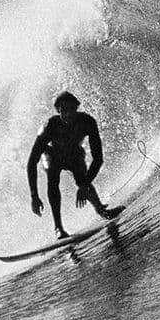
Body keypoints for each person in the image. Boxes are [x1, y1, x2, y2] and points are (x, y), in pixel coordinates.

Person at [26, 91, 122, 238]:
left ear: (77, 108)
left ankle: (102, 210)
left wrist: (84, 185)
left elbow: (98, 159)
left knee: (82, 179)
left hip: (73, 154)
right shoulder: (49, 126)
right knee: (52, 177)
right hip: (52, 154)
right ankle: (58, 228)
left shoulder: (87, 122)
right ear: (58, 111)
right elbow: (32, 162)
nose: (68, 114)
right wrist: (34, 196)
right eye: (64, 110)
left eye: (71, 109)